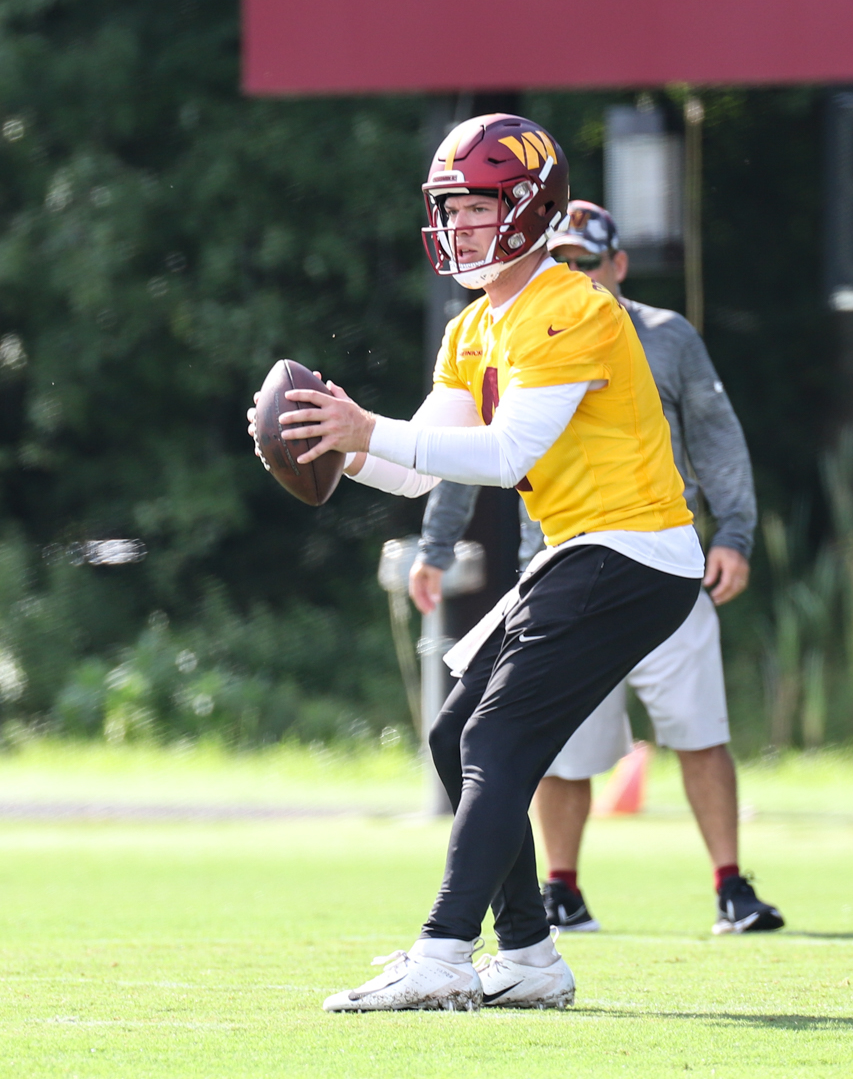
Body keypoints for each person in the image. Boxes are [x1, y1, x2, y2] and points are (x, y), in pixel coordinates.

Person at [249, 116, 705, 1012]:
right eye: (450, 209)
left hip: (634, 548)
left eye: (477, 206)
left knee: (497, 739)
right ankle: (531, 956)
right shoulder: (473, 327)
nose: (458, 226)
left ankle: (445, 951)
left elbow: (503, 456)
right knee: (456, 738)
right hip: (587, 551)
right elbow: (426, 467)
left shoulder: (572, 305)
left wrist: (366, 427)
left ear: (531, 208)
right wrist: (340, 448)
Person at [409, 200, 784, 938]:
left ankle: (728, 885)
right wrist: (433, 541)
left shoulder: (654, 334)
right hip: (555, 563)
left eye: (587, 261)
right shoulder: (498, 326)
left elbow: (715, 436)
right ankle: (554, 900)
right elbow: (456, 449)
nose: (572, 272)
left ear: (617, 266)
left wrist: (734, 532)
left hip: (643, 556)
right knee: (537, 749)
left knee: (697, 730)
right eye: (564, 257)